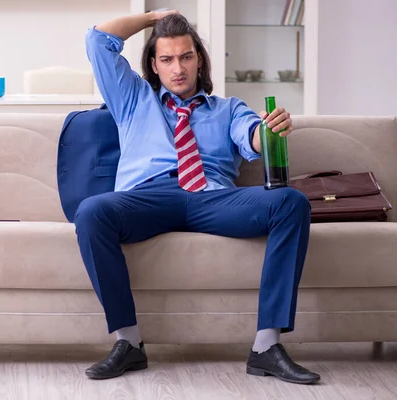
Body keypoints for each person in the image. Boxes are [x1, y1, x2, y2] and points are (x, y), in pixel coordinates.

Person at [74, 10, 321, 384]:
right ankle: (129, 343)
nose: (178, 68)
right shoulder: (133, 99)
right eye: (167, 59)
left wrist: (269, 131)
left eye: (186, 57)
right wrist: (156, 17)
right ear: (154, 66)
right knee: (92, 212)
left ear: (200, 60)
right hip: (148, 196)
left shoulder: (227, 108)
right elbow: (97, 40)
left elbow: (252, 136)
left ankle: (266, 347)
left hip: (212, 199)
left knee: (291, 202)